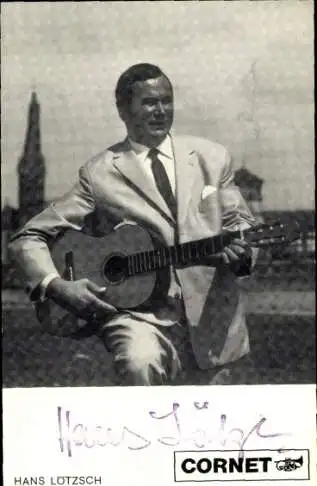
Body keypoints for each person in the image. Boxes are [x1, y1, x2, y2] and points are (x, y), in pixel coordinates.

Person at [9, 63, 258, 386]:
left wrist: (243, 255)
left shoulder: (213, 158)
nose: (161, 111)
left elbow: (241, 226)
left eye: (166, 101)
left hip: (214, 319)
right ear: (123, 110)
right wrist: (57, 286)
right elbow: (28, 236)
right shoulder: (98, 174)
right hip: (136, 315)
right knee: (139, 363)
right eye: (149, 102)